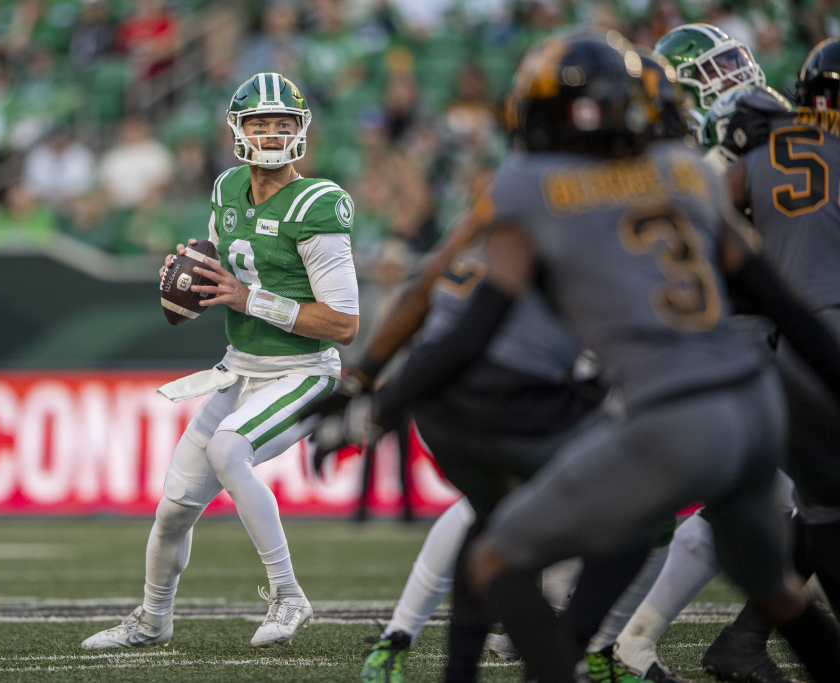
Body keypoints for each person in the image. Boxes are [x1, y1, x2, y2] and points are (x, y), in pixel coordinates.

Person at [326, 33, 840, 683]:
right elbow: (786, 302)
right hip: (757, 407)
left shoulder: (535, 186)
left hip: (674, 416)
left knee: (492, 560)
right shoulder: (685, 172)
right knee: (781, 599)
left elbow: (469, 327)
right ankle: (586, 646)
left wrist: (374, 402)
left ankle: (563, 659)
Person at [81, 73, 359, 650]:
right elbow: (221, 270)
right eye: (261, 122)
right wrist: (193, 279)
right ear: (238, 130)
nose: (274, 133)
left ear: (302, 131)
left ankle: (288, 594)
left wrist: (248, 297)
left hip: (304, 371)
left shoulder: (318, 203)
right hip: (241, 367)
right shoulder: (228, 188)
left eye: (284, 123)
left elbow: (344, 325)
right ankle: (154, 620)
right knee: (174, 509)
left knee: (230, 449)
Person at [617, 38, 840, 683]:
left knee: (777, 495)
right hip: (720, 325)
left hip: (758, 321)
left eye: (728, 64)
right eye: (708, 73)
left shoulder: (753, 124)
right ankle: (590, 626)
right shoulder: (675, 145)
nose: (728, 78)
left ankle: (640, 634)